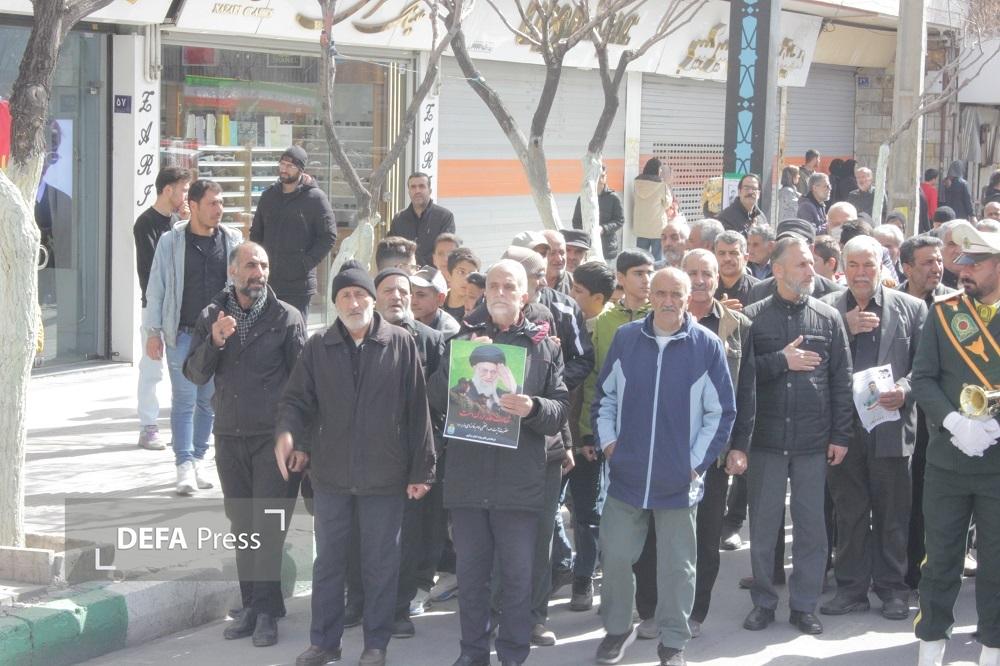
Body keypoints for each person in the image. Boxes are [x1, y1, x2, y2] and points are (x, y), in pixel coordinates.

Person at [277, 261, 435, 666]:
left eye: (360, 294)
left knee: (380, 564)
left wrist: (422, 470)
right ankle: (324, 643)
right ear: (335, 303)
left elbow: (417, 410)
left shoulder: (399, 343)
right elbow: (297, 401)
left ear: (372, 299)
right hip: (331, 476)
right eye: (345, 295)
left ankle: (375, 644)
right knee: (329, 564)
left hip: (385, 476)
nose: (354, 302)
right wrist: (290, 434)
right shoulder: (318, 346)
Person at [592, 267, 736, 666]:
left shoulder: (706, 345)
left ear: (688, 298)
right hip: (627, 475)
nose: (668, 301)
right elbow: (604, 398)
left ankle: (673, 642)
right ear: (649, 296)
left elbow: (721, 412)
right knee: (616, 555)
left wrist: (693, 464)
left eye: (676, 294)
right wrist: (609, 445)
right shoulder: (626, 338)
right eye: (660, 293)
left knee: (677, 567)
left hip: (677, 481)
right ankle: (617, 630)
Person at [427, 260, 569, 666]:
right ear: (484, 293)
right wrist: (459, 358)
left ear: (525, 295)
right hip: (469, 481)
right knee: (472, 578)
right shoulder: (462, 338)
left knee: (518, 578)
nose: (501, 293)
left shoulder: (543, 346)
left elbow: (560, 409)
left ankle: (513, 655)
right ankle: (472, 653)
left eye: (510, 286)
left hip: (518, 483)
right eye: (494, 286)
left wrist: (533, 407)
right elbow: (434, 397)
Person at [183, 242, 306, 647]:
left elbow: (302, 385)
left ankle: (266, 612)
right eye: (251, 264)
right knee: (243, 526)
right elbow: (195, 374)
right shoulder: (211, 316)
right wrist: (214, 341)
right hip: (230, 437)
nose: (259, 272)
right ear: (233, 271)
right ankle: (253, 604)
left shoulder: (286, 317)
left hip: (273, 440)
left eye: (264, 265)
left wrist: (300, 440)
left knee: (267, 526)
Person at [741, 236, 853, 636]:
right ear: (778, 270)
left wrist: (841, 435)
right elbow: (741, 378)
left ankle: (805, 605)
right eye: (801, 264)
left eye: (810, 263)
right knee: (763, 529)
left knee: (812, 529)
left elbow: (842, 380)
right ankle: (763, 602)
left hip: (812, 442)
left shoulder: (828, 317)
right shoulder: (752, 318)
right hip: (766, 440)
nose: (810, 271)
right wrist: (780, 360)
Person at [819, 235, 927, 621]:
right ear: (842, 268)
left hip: (891, 428)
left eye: (869, 265)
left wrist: (905, 390)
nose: (861, 273)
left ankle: (892, 589)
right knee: (848, 513)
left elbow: (925, 367)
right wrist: (843, 328)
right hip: (844, 431)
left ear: (883, 266)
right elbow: (814, 365)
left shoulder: (911, 308)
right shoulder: (827, 309)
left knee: (892, 514)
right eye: (854, 265)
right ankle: (851, 588)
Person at [911, 223, 1000, 666]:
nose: (963, 271)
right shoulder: (945, 312)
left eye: (976, 263)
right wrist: (952, 423)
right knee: (940, 561)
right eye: (962, 261)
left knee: (997, 566)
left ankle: (992, 650)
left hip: (997, 466)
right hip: (948, 461)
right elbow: (923, 378)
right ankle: (930, 649)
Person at [144, 179, 243, 495]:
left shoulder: (232, 241)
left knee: (208, 401)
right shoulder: (171, 242)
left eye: (221, 203)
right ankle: (183, 464)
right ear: (195, 206)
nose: (219, 209)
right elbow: (156, 288)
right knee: (184, 400)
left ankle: (199, 458)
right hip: (183, 333)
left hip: (219, 336)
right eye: (213, 203)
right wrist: (153, 332)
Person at [681, 250, 754, 639]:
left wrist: (739, 445)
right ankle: (658, 605)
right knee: (664, 534)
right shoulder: (660, 320)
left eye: (706, 273)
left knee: (706, 536)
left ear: (717, 279)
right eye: (691, 272)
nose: (699, 280)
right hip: (668, 447)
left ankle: (695, 611)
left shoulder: (737, 326)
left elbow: (747, 390)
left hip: (713, 450)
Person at [371, 268, 446, 638]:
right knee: (365, 532)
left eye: (405, 291)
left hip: (414, 453)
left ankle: (400, 607)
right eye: (389, 290)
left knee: (408, 534)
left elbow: (440, 401)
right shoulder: (359, 336)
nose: (398, 297)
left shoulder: (431, 340)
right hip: (368, 454)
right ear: (375, 296)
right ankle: (360, 599)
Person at [566, 260, 616, 612]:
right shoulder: (566, 320)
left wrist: (588, 434)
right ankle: (567, 566)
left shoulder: (606, 328)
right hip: (561, 431)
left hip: (588, 435)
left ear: (598, 298)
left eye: (578, 291)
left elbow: (595, 386)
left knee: (588, 511)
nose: (572, 295)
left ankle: (584, 576)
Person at [134, 166, 191, 451]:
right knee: (151, 368)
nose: (186, 197)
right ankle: (148, 426)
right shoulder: (145, 223)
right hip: (156, 306)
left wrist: (188, 225)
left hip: (182, 308)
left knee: (183, 369)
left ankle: (183, 426)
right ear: (168, 190)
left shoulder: (181, 223)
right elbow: (149, 272)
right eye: (183, 190)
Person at [249, 145, 337, 322]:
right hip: (268, 281)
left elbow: (328, 236)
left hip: (298, 286)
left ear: (301, 170)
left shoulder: (315, 198)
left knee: (294, 332)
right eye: (282, 164)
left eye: (290, 166)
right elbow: (256, 233)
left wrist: (305, 263)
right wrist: (257, 264)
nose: (284, 169)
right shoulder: (268, 196)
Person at [747, 218, 844, 303]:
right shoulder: (759, 291)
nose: (788, 250)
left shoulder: (835, 294)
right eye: (783, 245)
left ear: (811, 249)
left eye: (796, 244)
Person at [389, 172, 456, 267]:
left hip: (434, 274)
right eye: (413, 187)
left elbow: (445, 251)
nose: (417, 191)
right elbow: (392, 250)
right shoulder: (399, 219)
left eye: (421, 186)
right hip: (405, 273)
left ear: (430, 190)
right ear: (409, 192)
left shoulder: (445, 217)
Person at [572, 163, 625, 260]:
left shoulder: (613, 198)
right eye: (598, 176)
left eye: (603, 176)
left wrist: (603, 228)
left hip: (607, 248)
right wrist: (585, 233)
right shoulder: (583, 198)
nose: (600, 179)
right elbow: (576, 221)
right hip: (587, 247)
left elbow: (620, 220)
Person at [632, 158, 672, 261]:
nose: (661, 171)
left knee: (640, 258)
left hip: (641, 228)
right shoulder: (661, 185)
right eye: (660, 169)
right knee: (657, 259)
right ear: (657, 169)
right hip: (657, 229)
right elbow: (667, 204)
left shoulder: (637, 183)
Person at [410, 265, 461, 339]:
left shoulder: (451, 333)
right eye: (411, 294)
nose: (413, 301)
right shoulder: (404, 321)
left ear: (440, 298)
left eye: (421, 295)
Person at [713, 230, 759, 310]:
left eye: (733, 253)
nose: (727, 259)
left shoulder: (759, 291)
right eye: (722, 253)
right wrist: (717, 311)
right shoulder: (705, 289)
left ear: (746, 258)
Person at [443, 247, 481, 321]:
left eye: (472, 274)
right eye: (461, 272)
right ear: (449, 275)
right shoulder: (436, 303)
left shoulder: (480, 310)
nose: (466, 279)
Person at [542, 229, 573, 293]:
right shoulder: (527, 283)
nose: (559, 259)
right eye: (552, 253)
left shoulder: (575, 285)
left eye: (562, 253)